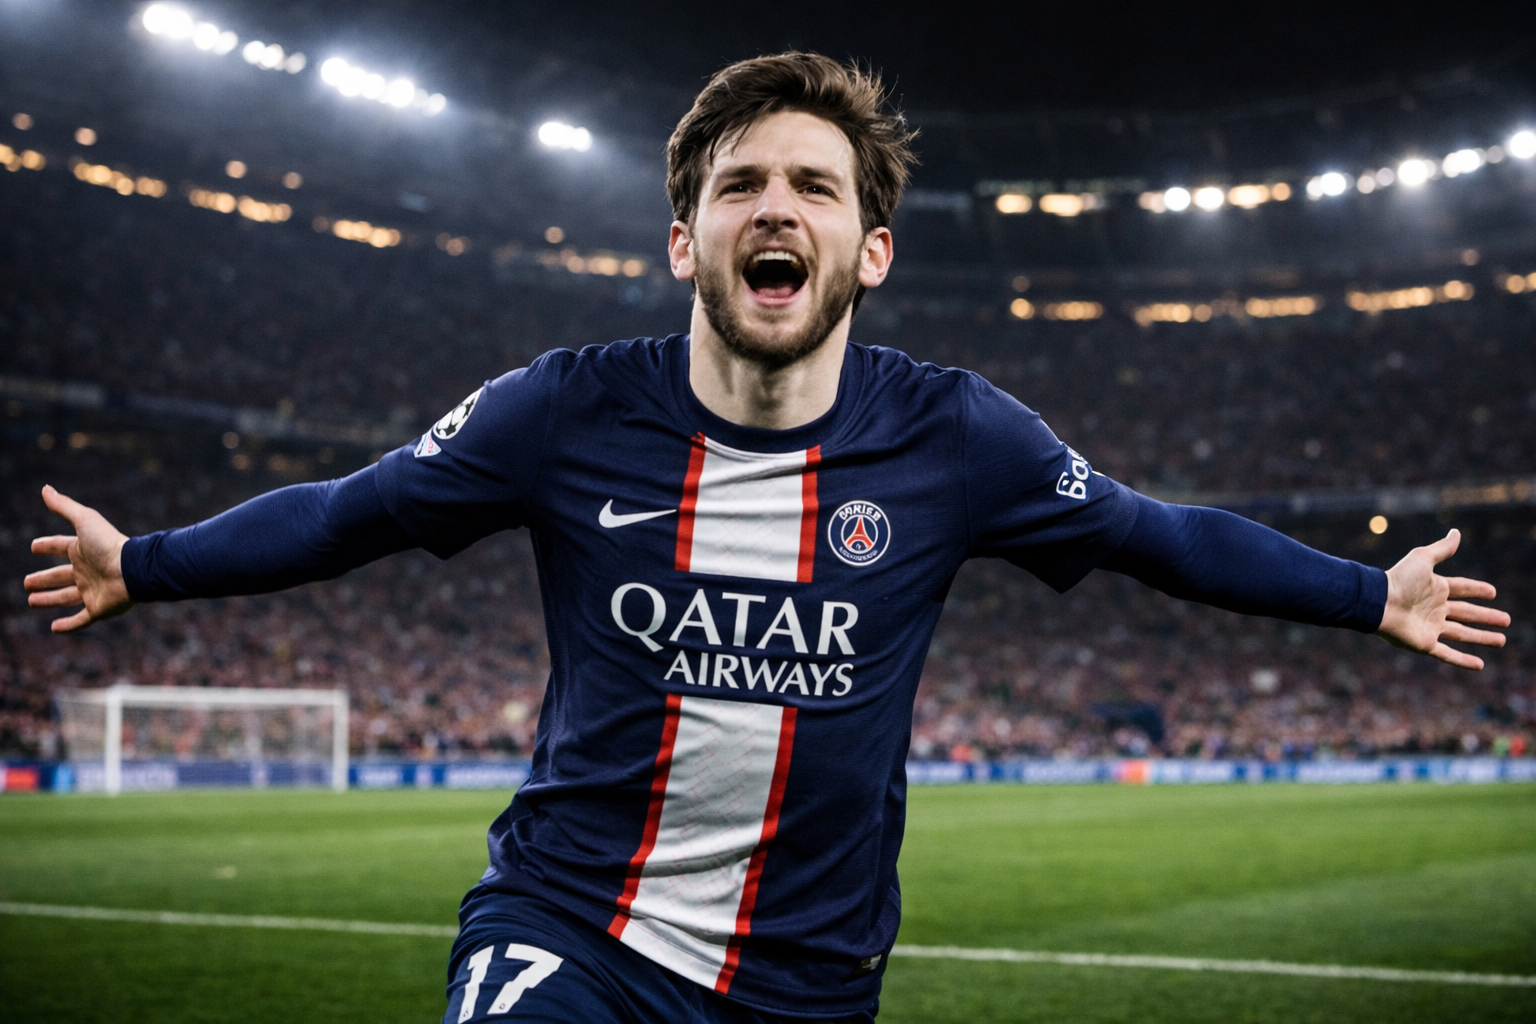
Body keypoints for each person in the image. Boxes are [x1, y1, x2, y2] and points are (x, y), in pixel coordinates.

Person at [24, 53, 1509, 1024]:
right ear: (686, 241)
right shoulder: (563, 411)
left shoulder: (955, 436)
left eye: (814, 185)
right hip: (573, 925)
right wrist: (143, 564)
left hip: (808, 977)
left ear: (871, 249)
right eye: (739, 184)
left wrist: (1365, 593)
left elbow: (1154, 535)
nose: (773, 207)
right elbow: (353, 513)